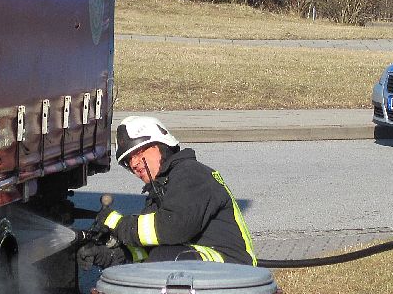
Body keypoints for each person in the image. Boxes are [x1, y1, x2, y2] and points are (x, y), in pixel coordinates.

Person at [77, 115, 258, 269]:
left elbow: (172, 229)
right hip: (205, 269)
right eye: (128, 161)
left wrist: (117, 223)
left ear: (160, 145)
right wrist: (107, 254)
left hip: (236, 271)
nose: (134, 164)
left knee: (165, 259)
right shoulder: (161, 189)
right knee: (159, 259)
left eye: (138, 153)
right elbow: (147, 247)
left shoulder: (190, 174)